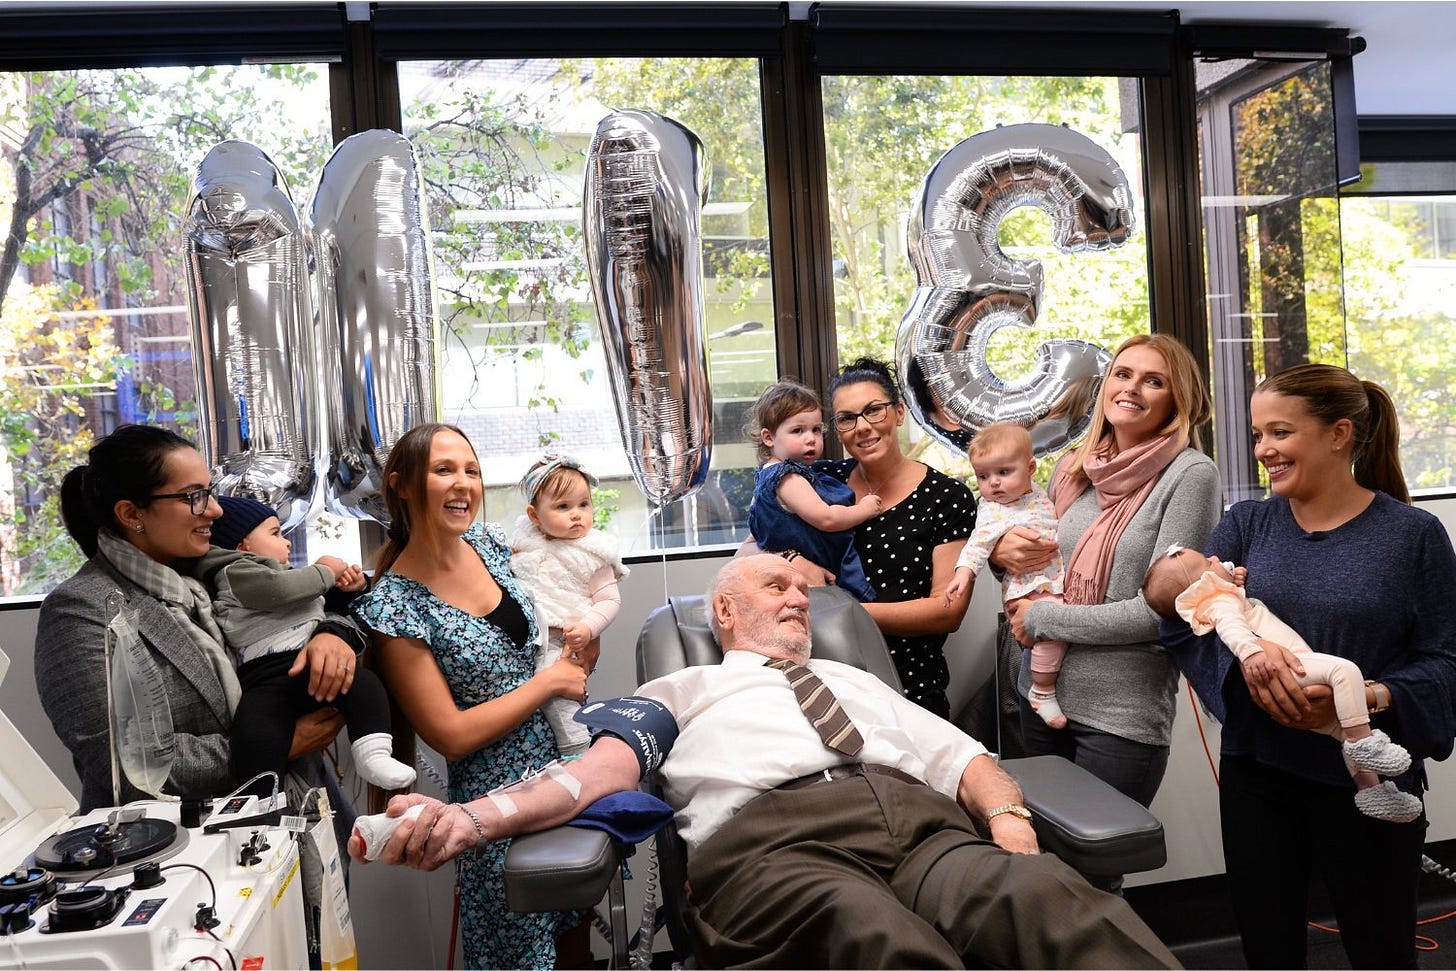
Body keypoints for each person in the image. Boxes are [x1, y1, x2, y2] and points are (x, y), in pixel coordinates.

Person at [352, 555, 1181, 970]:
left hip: (924, 835)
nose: (797, 596)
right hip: (776, 849)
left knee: (1052, 900)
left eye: (801, 588)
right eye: (775, 586)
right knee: (877, 938)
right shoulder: (685, 684)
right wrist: (470, 817)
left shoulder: (854, 676)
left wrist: (1006, 816)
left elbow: (964, 759)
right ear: (724, 609)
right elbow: (593, 774)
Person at [1159, 363, 1456, 969]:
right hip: (1259, 778)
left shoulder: (1412, 536)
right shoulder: (1246, 525)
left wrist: (1369, 696)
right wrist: (1249, 668)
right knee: (1269, 949)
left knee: (1381, 950)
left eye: (1280, 433)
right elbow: (1192, 619)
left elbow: (1447, 662)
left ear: (1339, 433)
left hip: (1367, 783)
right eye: (1259, 437)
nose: (1264, 451)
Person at [350, 422, 587, 970]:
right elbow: (450, 736)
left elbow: (535, 630)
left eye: (472, 470)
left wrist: (575, 647)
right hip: (493, 805)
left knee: (576, 943)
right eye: (443, 470)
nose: (463, 484)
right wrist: (547, 683)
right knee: (521, 958)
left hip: (563, 775)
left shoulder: (487, 546)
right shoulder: (395, 607)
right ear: (402, 484)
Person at [35, 424, 360, 814]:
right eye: (194, 497)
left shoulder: (217, 572)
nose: (215, 509)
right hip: (182, 849)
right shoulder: (81, 609)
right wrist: (278, 742)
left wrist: (334, 633)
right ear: (131, 513)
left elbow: (310, 608)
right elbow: (124, 759)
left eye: (210, 491)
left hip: (300, 809)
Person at [988, 333, 1223, 809]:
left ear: (1178, 399)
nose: (1132, 388)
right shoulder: (1072, 469)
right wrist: (1001, 555)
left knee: (1097, 868)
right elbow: (1035, 568)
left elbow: (1165, 609)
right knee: (1047, 859)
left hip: (1118, 712)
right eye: (1123, 374)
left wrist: (1041, 620)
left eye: (1153, 381)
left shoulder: (1190, 474)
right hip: (1036, 694)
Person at [747, 357, 976, 718]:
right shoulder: (817, 478)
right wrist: (794, 559)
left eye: (875, 411)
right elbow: (747, 550)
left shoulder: (946, 497)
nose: (864, 427)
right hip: (823, 683)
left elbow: (947, 611)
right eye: (847, 418)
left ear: (899, 413)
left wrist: (844, 613)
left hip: (906, 688)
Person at [1144, 545, 1419, 822]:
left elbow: (1232, 598)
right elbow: (1232, 628)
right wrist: (1250, 652)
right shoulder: (1220, 603)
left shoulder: (1218, 598)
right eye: (1207, 562)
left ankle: (1371, 789)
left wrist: (1232, 578)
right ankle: (1365, 742)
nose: (1215, 557)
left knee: (1340, 730)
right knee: (1344, 671)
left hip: (1292, 673)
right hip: (1291, 666)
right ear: (1202, 587)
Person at [195, 494, 415, 790]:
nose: (287, 543)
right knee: (253, 733)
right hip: (265, 677)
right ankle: (262, 799)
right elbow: (281, 590)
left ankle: (373, 753)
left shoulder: (289, 575)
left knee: (365, 686)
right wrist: (325, 569)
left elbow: (323, 606)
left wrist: (351, 588)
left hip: (311, 662)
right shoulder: (236, 572)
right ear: (242, 546)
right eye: (275, 533)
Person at [944, 422, 1070, 728]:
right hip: (1028, 588)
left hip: (1052, 579)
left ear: (1030, 469)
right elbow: (978, 543)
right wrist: (964, 574)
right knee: (1050, 634)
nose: (994, 484)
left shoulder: (1039, 494)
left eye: (1003, 472)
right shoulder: (992, 510)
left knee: (1059, 630)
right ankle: (1042, 690)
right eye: (983, 476)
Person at [510, 454, 628, 758]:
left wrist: (589, 627)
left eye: (583, 504)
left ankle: (576, 747)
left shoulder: (593, 551)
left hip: (564, 639)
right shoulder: (524, 540)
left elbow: (610, 600)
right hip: (524, 638)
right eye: (563, 507)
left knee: (558, 690)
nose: (577, 515)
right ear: (535, 517)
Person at [746, 379, 881, 601]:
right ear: (768, 437)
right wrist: (864, 510)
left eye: (816, 430)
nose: (811, 439)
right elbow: (826, 518)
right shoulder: (787, 476)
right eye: (797, 430)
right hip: (816, 581)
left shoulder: (767, 477)